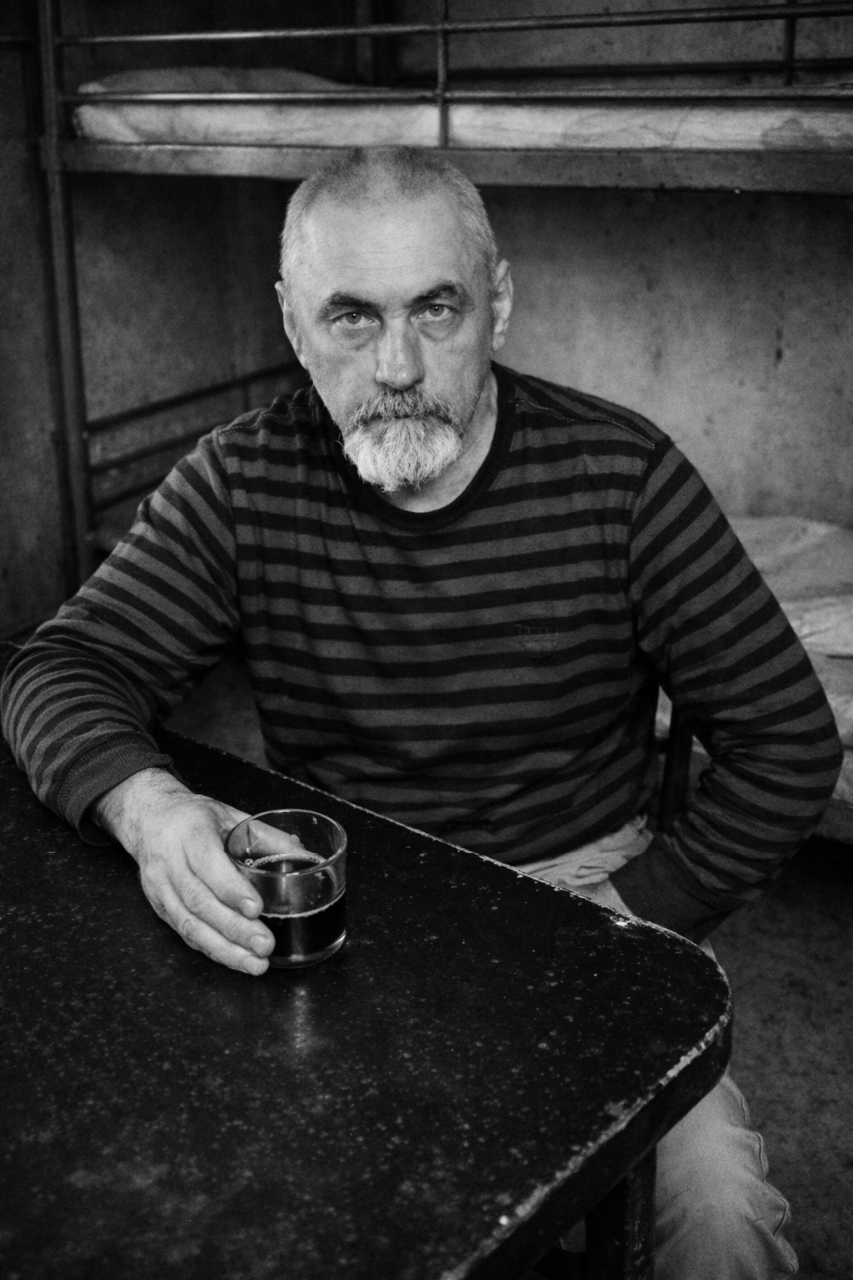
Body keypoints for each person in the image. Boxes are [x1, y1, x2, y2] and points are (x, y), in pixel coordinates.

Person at [1, 147, 841, 1279]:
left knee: (715, 1221)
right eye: (351, 317)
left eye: (435, 309)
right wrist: (150, 810)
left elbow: (787, 741)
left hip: (580, 886)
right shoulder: (239, 482)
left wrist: (626, 914)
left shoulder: (624, 477)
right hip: (351, 901)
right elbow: (59, 665)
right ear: (293, 323)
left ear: (497, 303)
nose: (397, 366)